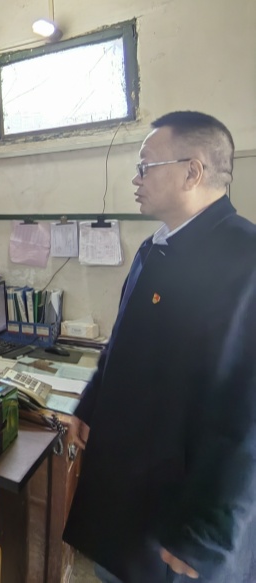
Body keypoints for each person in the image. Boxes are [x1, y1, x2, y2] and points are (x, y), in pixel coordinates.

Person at [63, 111, 256, 582]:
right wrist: (90, 404)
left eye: (146, 166)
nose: (136, 178)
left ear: (193, 172)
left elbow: (247, 409)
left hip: (187, 512)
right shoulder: (155, 249)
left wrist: (211, 530)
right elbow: (120, 344)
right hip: (130, 489)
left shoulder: (244, 258)